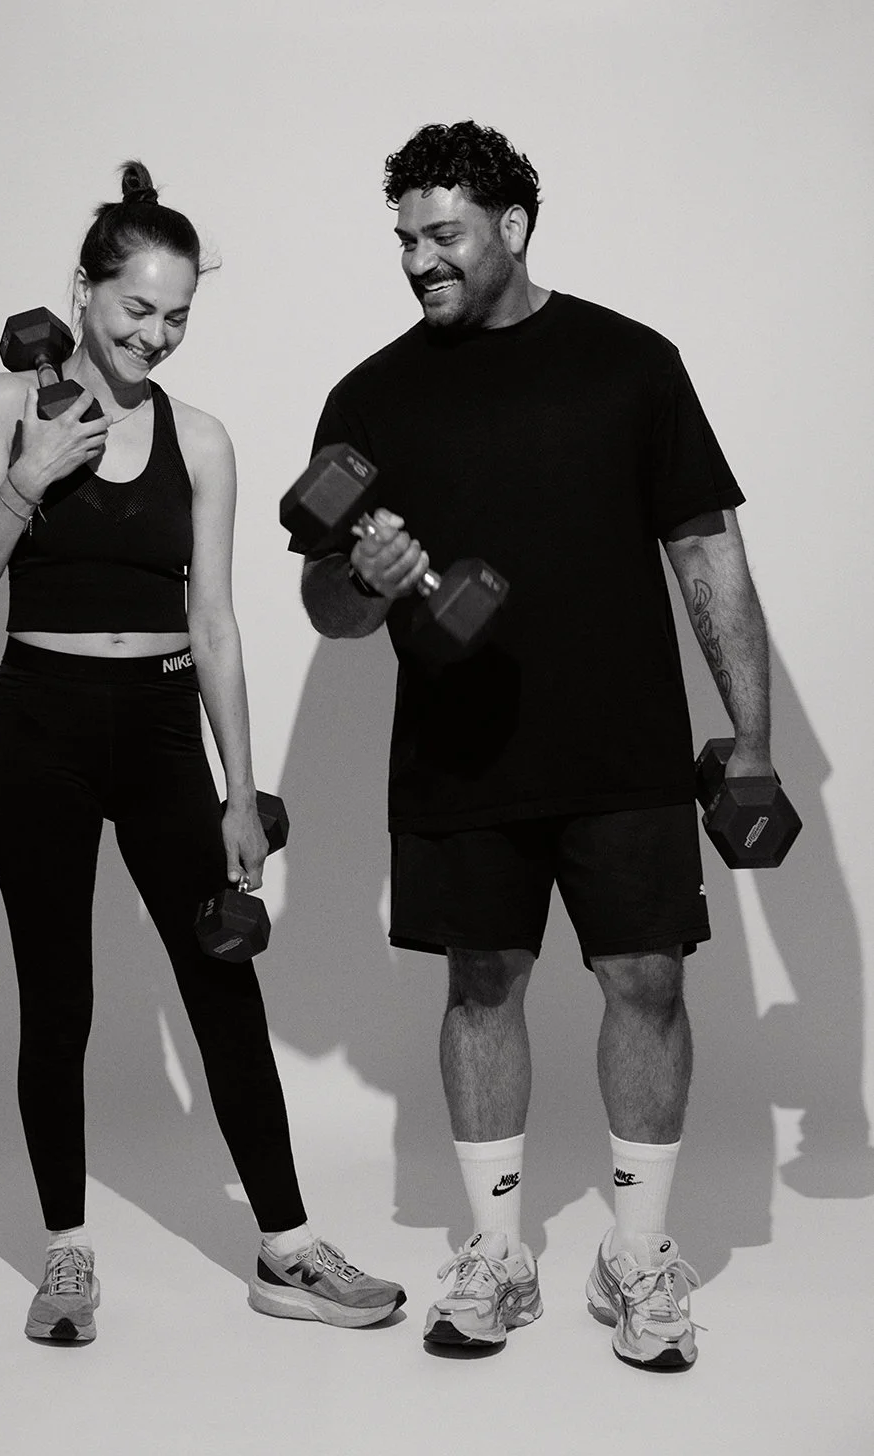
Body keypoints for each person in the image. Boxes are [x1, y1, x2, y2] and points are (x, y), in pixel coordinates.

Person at [295, 121, 774, 1368]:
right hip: (459, 755)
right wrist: (363, 573)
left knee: (647, 985)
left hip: (622, 745)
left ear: (510, 229)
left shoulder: (630, 365)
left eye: (442, 234)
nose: (418, 260)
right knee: (480, 986)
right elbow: (329, 614)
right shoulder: (372, 395)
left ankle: (637, 1256)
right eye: (404, 238)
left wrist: (753, 741)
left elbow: (705, 552)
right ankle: (498, 1257)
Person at [0, 161, 404, 1344]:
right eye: (137, 308)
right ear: (84, 293)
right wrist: (30, 482)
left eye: (178, 315)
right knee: (59, 996)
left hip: (156, 732)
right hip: (37, 724)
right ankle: (64, 1258)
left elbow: (214, 622)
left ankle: (287, 1251)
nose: (157, 333)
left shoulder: (201, 441)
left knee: (221, 990)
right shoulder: (6, 405)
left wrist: (237, 790)